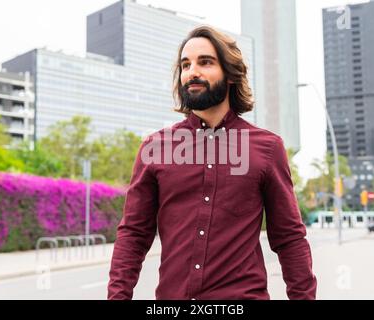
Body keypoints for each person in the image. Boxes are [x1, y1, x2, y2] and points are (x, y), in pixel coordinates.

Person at [108, 25, 317, 300]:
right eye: (186, 65)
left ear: (230, 74)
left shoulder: (267, 148)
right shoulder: (155, 148)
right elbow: (133, 235)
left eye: (205, 62)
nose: (192, 71)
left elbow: (289, 238)